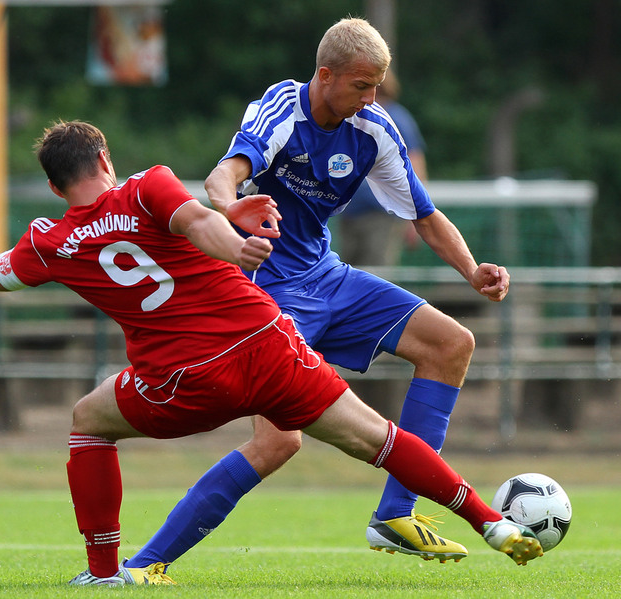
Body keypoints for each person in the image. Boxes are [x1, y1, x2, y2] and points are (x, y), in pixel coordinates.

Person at [0, 120, 540, 586]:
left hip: (185, 381)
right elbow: (199, 222)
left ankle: (108, 572)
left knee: (89, 419)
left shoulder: (49, 240)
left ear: (57, 187)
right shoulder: (147, 186)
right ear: (105, 160)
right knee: (378, 436)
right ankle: (490, 522)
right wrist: (237, 240)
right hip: (269, 343)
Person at [125, 17, 510, 570]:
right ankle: (145, 565)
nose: (373, 98)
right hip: (269, 295)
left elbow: (424, 217)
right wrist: (231, 211)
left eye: (378, 85)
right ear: (325, 76)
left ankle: (396, 514)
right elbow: (220, 178)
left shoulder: (374, 129)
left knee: (451, 343)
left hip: (327, 276)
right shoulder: (282, 110)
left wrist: (472, 271)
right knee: (279, 443)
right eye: (362, 85)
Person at [337, 68, 427, 267]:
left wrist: (415, 220)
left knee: (375, 274)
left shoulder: (396, 117)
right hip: (350, 212)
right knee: (345, 274)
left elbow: (415, 163)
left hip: (382, 214)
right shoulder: (352, 116)